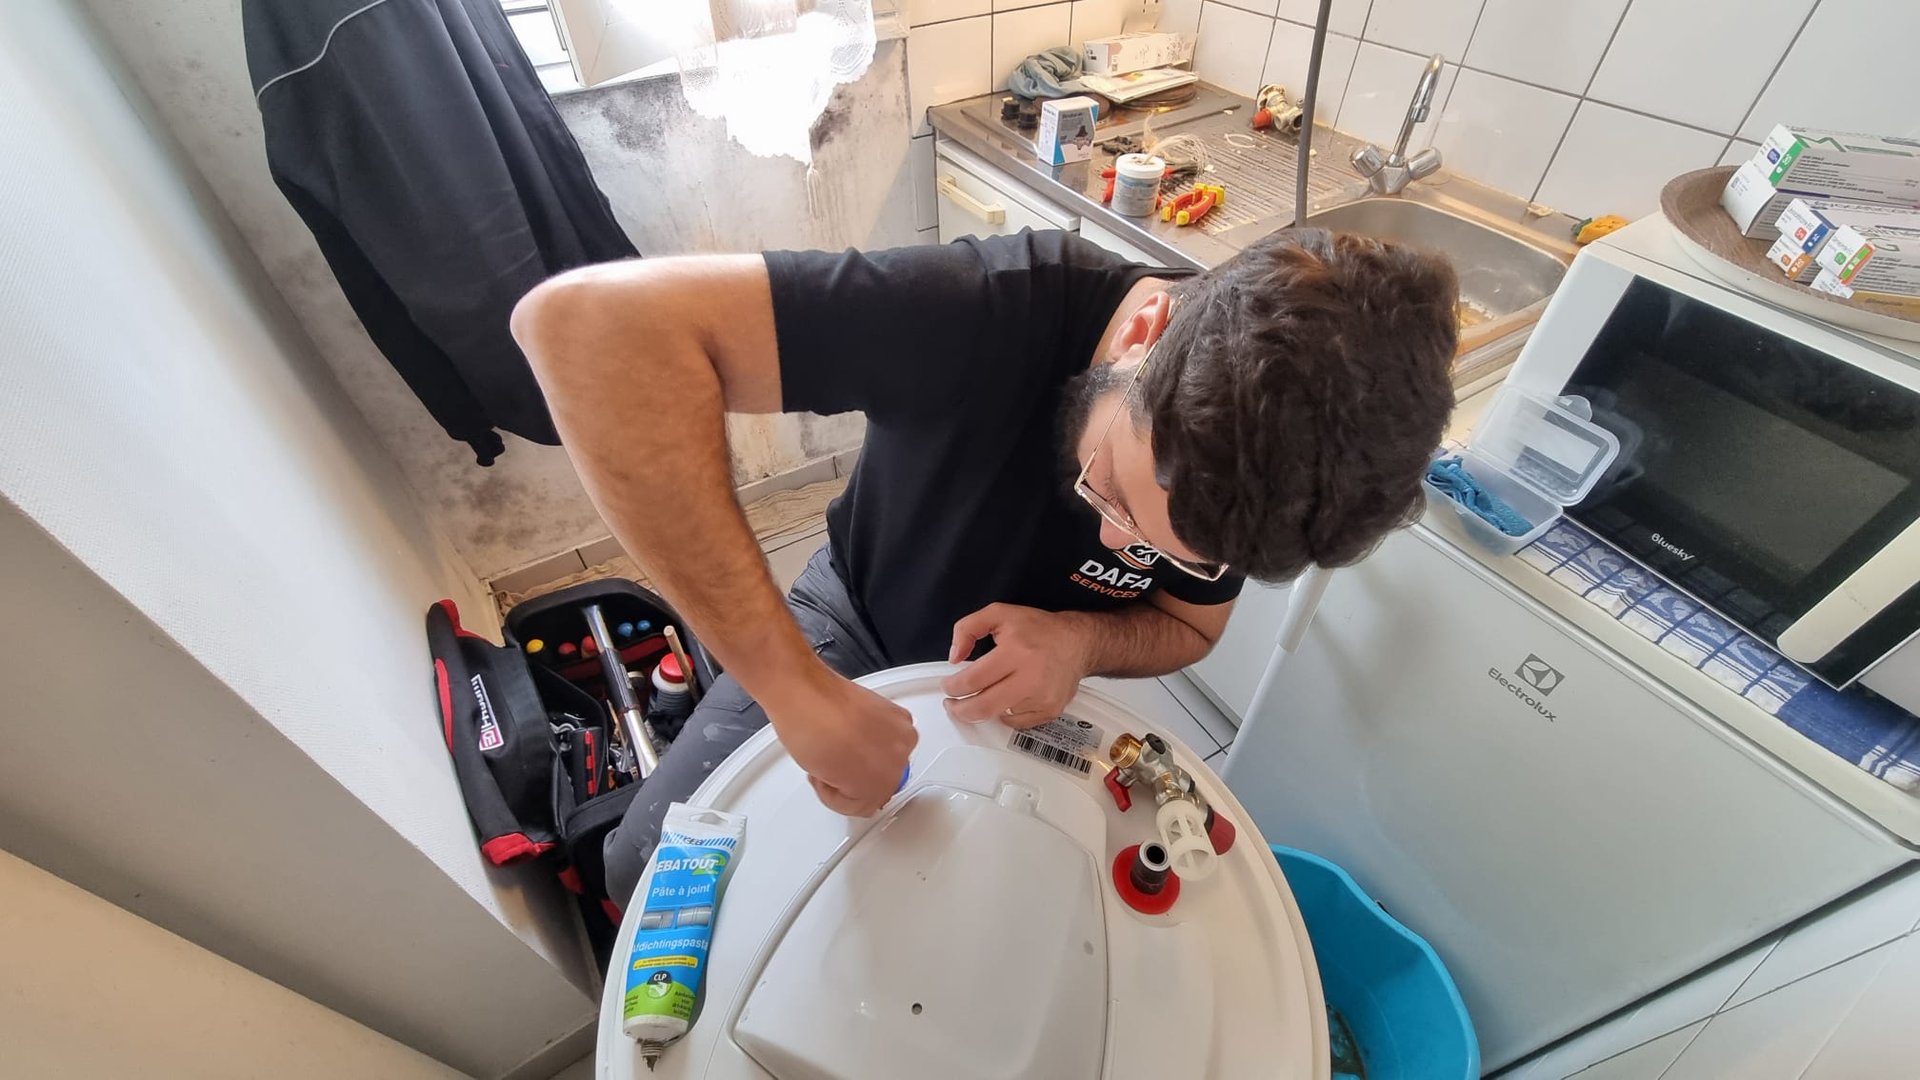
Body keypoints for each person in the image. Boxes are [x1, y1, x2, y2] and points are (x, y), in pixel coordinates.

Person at [511, 227, 1458, 901]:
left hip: (1023, 700)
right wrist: (794, 690)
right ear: (1143, 335)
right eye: (1113, 495)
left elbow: (1192, 623)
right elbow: (582, 330)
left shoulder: (1268, 469)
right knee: (644, 866)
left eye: (1166, 551)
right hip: (857, 623)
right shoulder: (988, 310)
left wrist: (1082, 640)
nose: (1122, 547)